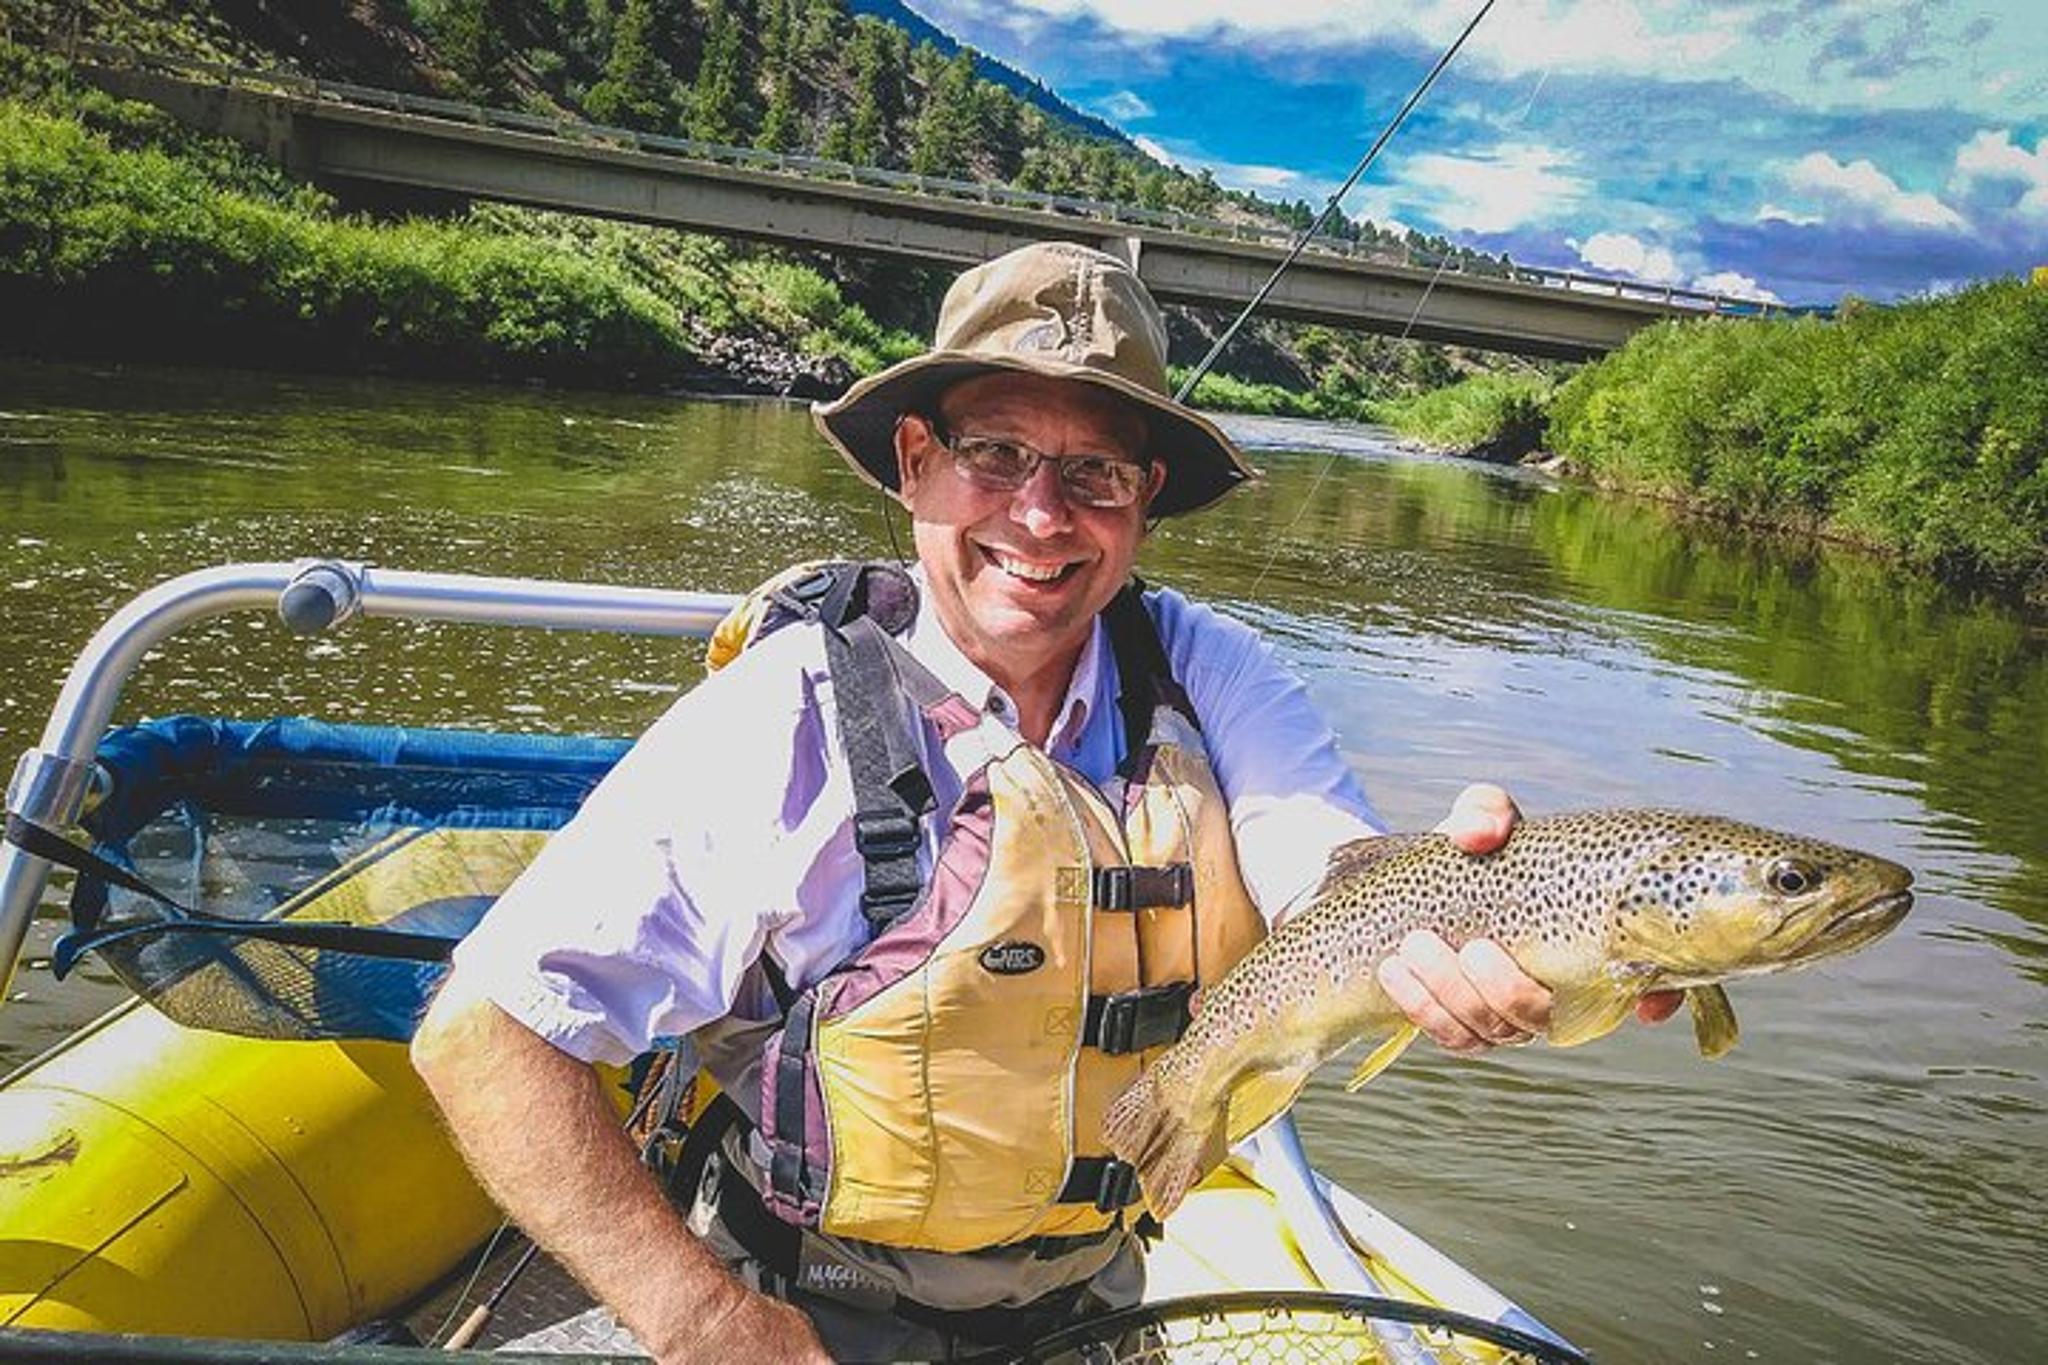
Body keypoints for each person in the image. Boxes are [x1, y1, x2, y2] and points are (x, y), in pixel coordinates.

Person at [411, 241, 1676, 1363]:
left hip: (1100, 1303)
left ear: (1143, 506)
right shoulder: (783, 716)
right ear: (915, 464)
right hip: (807, 1313)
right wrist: (711, 1326)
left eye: (1095, 474)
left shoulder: (1214, 673)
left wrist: (1488, 920)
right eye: (994, 454)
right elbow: (486, 1036)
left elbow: (1328, 871)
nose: (1040, 515)